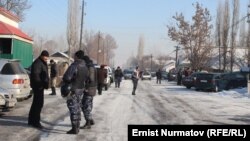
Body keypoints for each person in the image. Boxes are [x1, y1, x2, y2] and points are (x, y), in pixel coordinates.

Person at [62, 50, 89, 134]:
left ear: (77, 56)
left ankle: (74, 128)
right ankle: (77, 126)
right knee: (77, 108)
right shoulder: (85, 66)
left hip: (73, 89)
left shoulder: (75, 65)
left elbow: (67, 77)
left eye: (74, 56)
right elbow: (87, 79)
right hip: (81, 89)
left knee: (73, 108)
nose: (73, 57)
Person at [28, 50, 49, 129]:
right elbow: (36, 76)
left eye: (47, 57)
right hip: (38, 87)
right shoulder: (37, 63)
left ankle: (31, 120)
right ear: (42, 55)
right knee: (38, 104)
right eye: (45, 57)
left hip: (40, 86)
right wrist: (40, 84)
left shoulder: (42, 62)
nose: (46, 58)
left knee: (35, 104)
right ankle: (36, 122)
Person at [81, 56, 97, 129]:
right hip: (92, 88)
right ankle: (90, 120)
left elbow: (91, 78)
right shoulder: (92, 66)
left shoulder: (90, 67)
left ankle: (88, 123)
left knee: (85, 105)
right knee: (87, 104)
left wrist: (85, 85)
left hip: (89, 88)